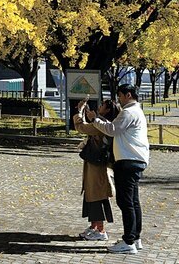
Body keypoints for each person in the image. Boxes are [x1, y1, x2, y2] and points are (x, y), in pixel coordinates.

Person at [86, 84, 149, 254]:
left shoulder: (129, 112)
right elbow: (115, 127)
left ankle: (129, 241)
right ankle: (135, 238)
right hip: (134, 159)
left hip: (128, 161)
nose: (119, 99)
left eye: (120, 96)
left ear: (128, 95)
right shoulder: (135, 111)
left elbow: (112, 130)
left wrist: (94, 119)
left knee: (126, 202)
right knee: (133, 202)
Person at [73, 99, 121, 242]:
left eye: (102, 106)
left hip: (97, 166)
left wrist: (79, 111)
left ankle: (100, 230)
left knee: (96, 196)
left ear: (107, 110)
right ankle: (94, 226)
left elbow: (81, 127)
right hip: (94, 164)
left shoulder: (102, 124)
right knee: (91, 194)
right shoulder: (102, 123)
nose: (99, 107)